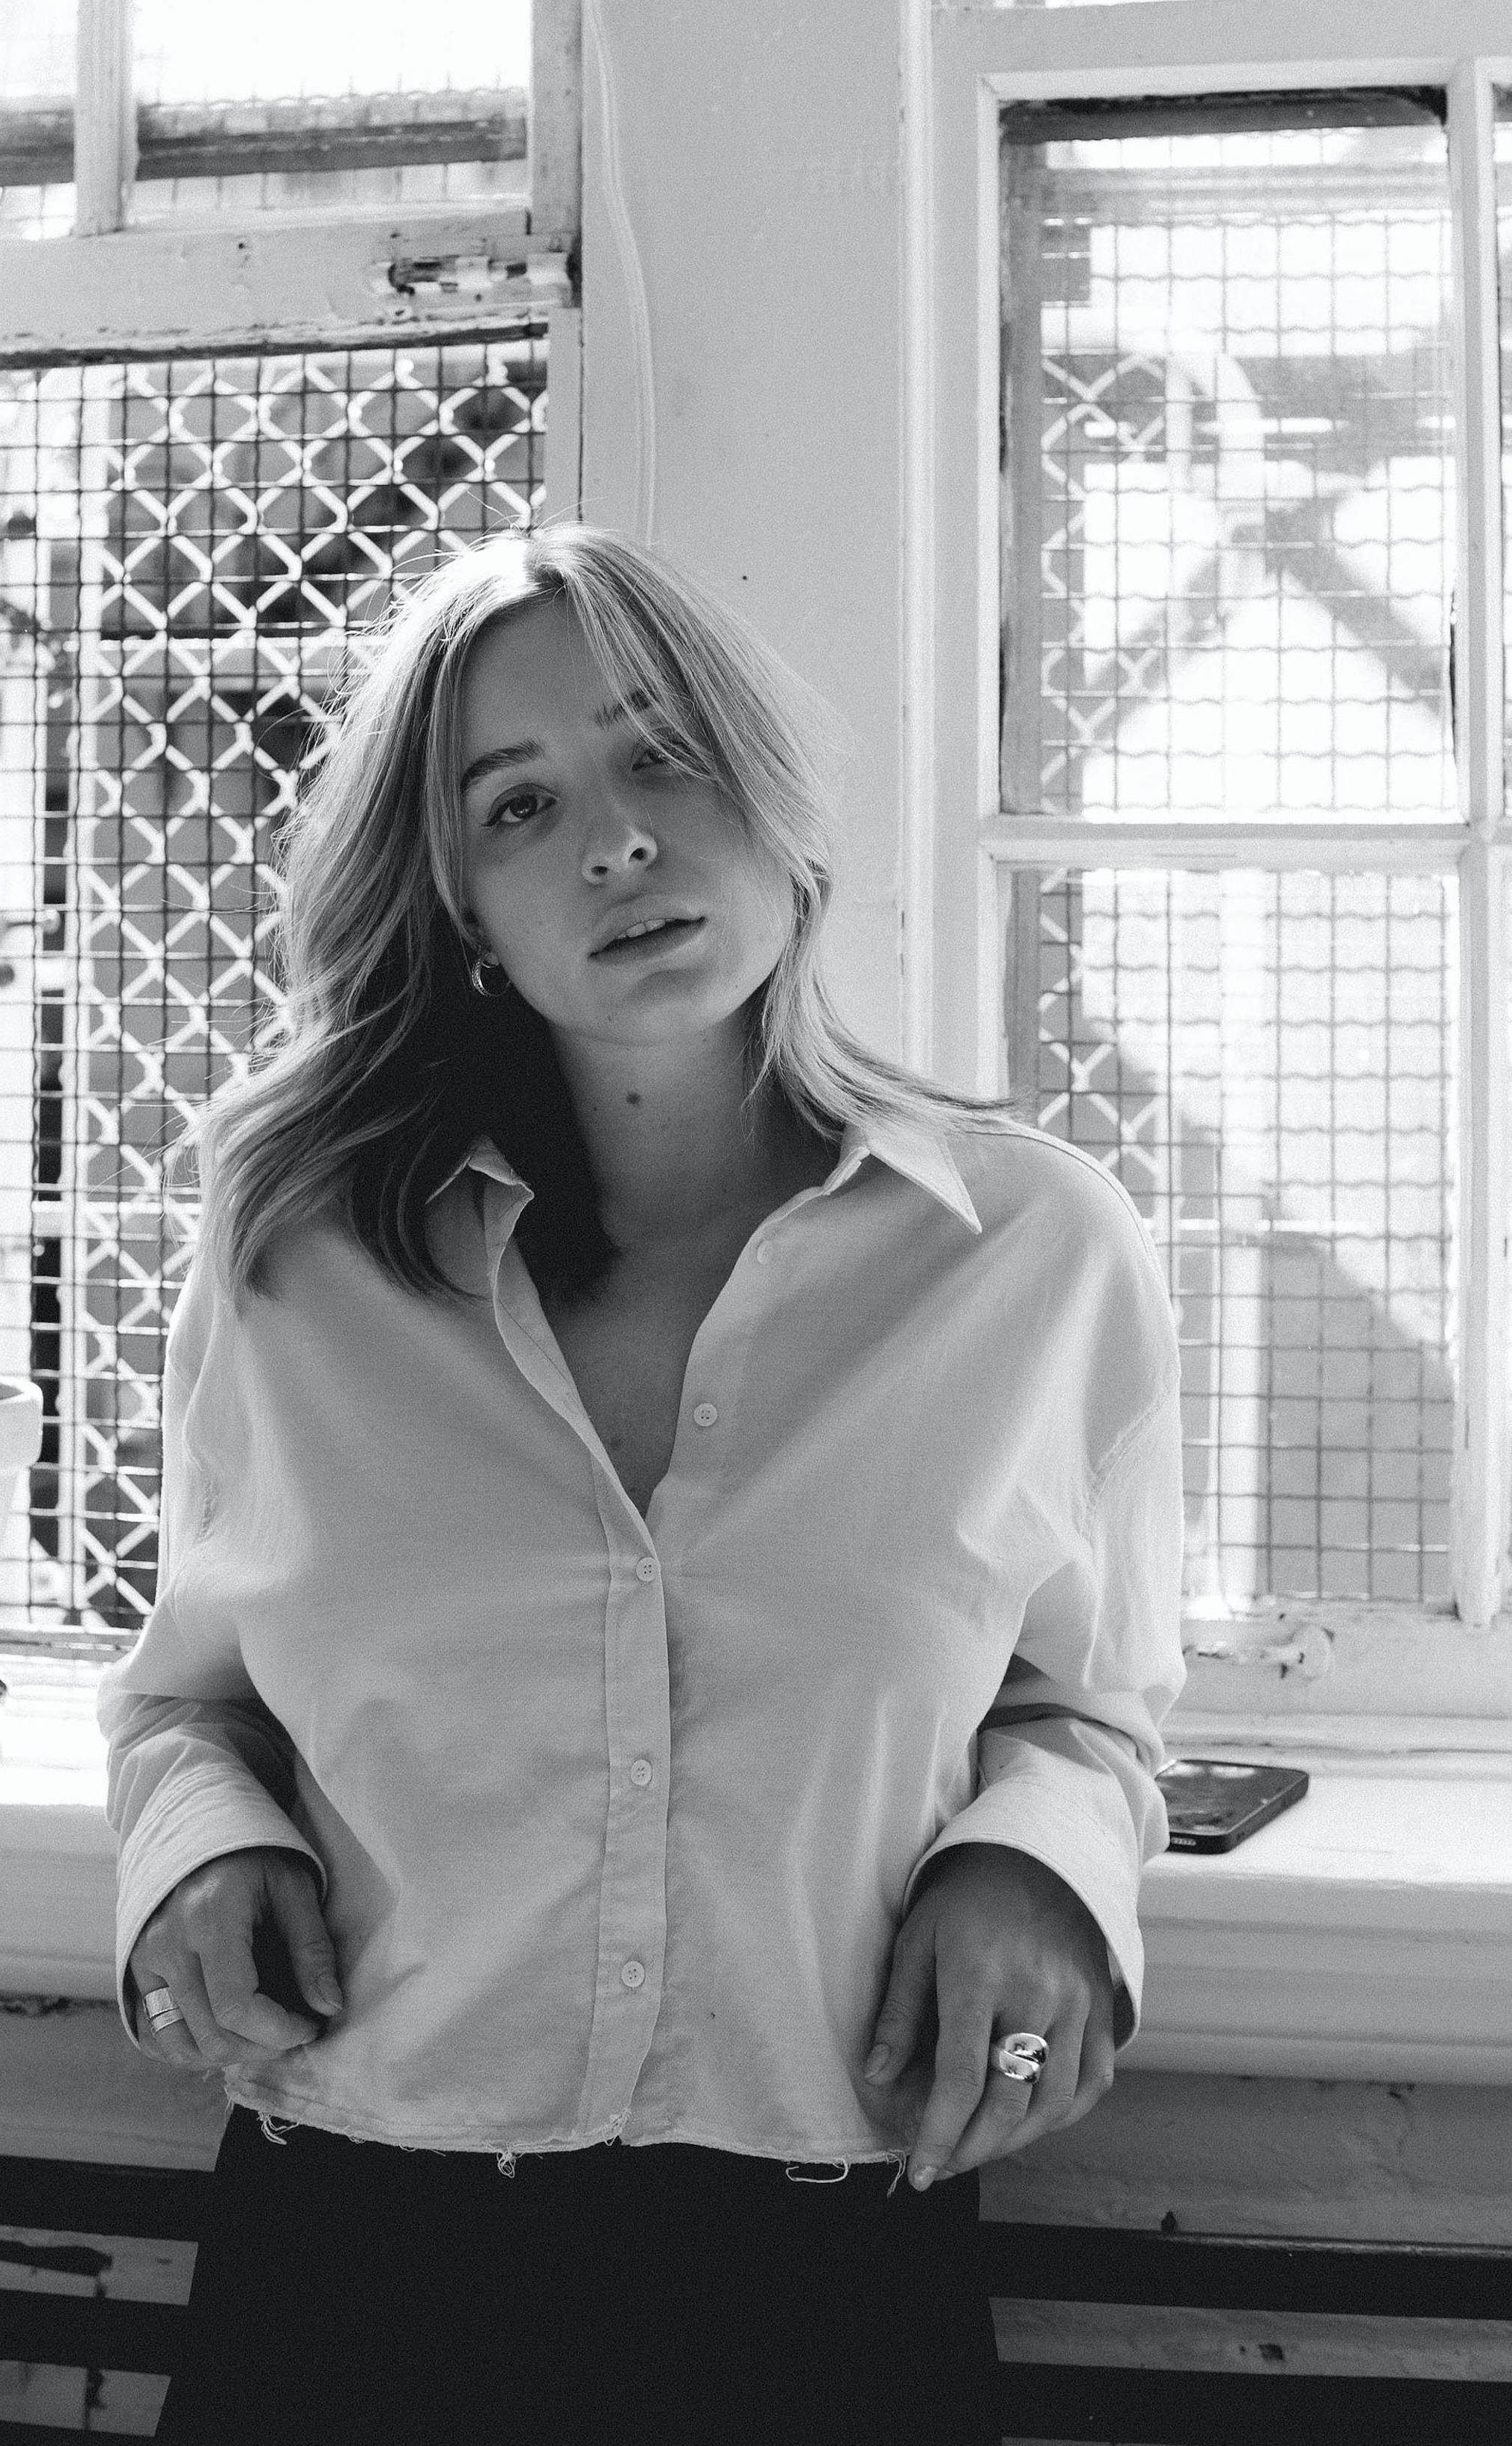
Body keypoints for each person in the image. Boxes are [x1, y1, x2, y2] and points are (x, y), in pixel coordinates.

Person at [98, 519, 1187, 2444]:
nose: (613, 840)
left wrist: (1036, 1866)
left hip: (824, 2262)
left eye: (659, 753)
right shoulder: (295, 1259)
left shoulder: (1036, 1251)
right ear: (459, 911)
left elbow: (1083, 1704)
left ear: (776, 802)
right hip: (355, 2248)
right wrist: (203, 1854)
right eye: (519, 805)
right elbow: (188, 1697)